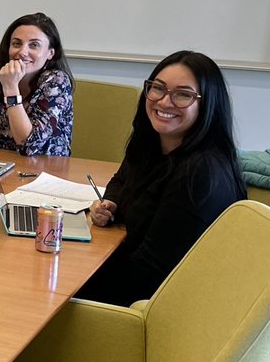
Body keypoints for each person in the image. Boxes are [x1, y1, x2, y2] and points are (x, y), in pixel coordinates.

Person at [78, 50, 247, 307]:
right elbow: (121, 179)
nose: (165, 102)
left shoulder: (199, 174)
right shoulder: (155, 144)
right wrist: (111, 203)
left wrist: (73, 272)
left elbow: (148, 274)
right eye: (158, 88)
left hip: (156, 307)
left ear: (208, 103)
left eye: (183, 95)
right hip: (132, 280)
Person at [0, 12, 74, 156]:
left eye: (34, 45)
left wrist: (11, 88)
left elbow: (28, 145)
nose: (22, 52)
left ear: (50, 53)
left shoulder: (57, 82)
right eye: (16, 44)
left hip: (46, 172)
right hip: (4, 167)